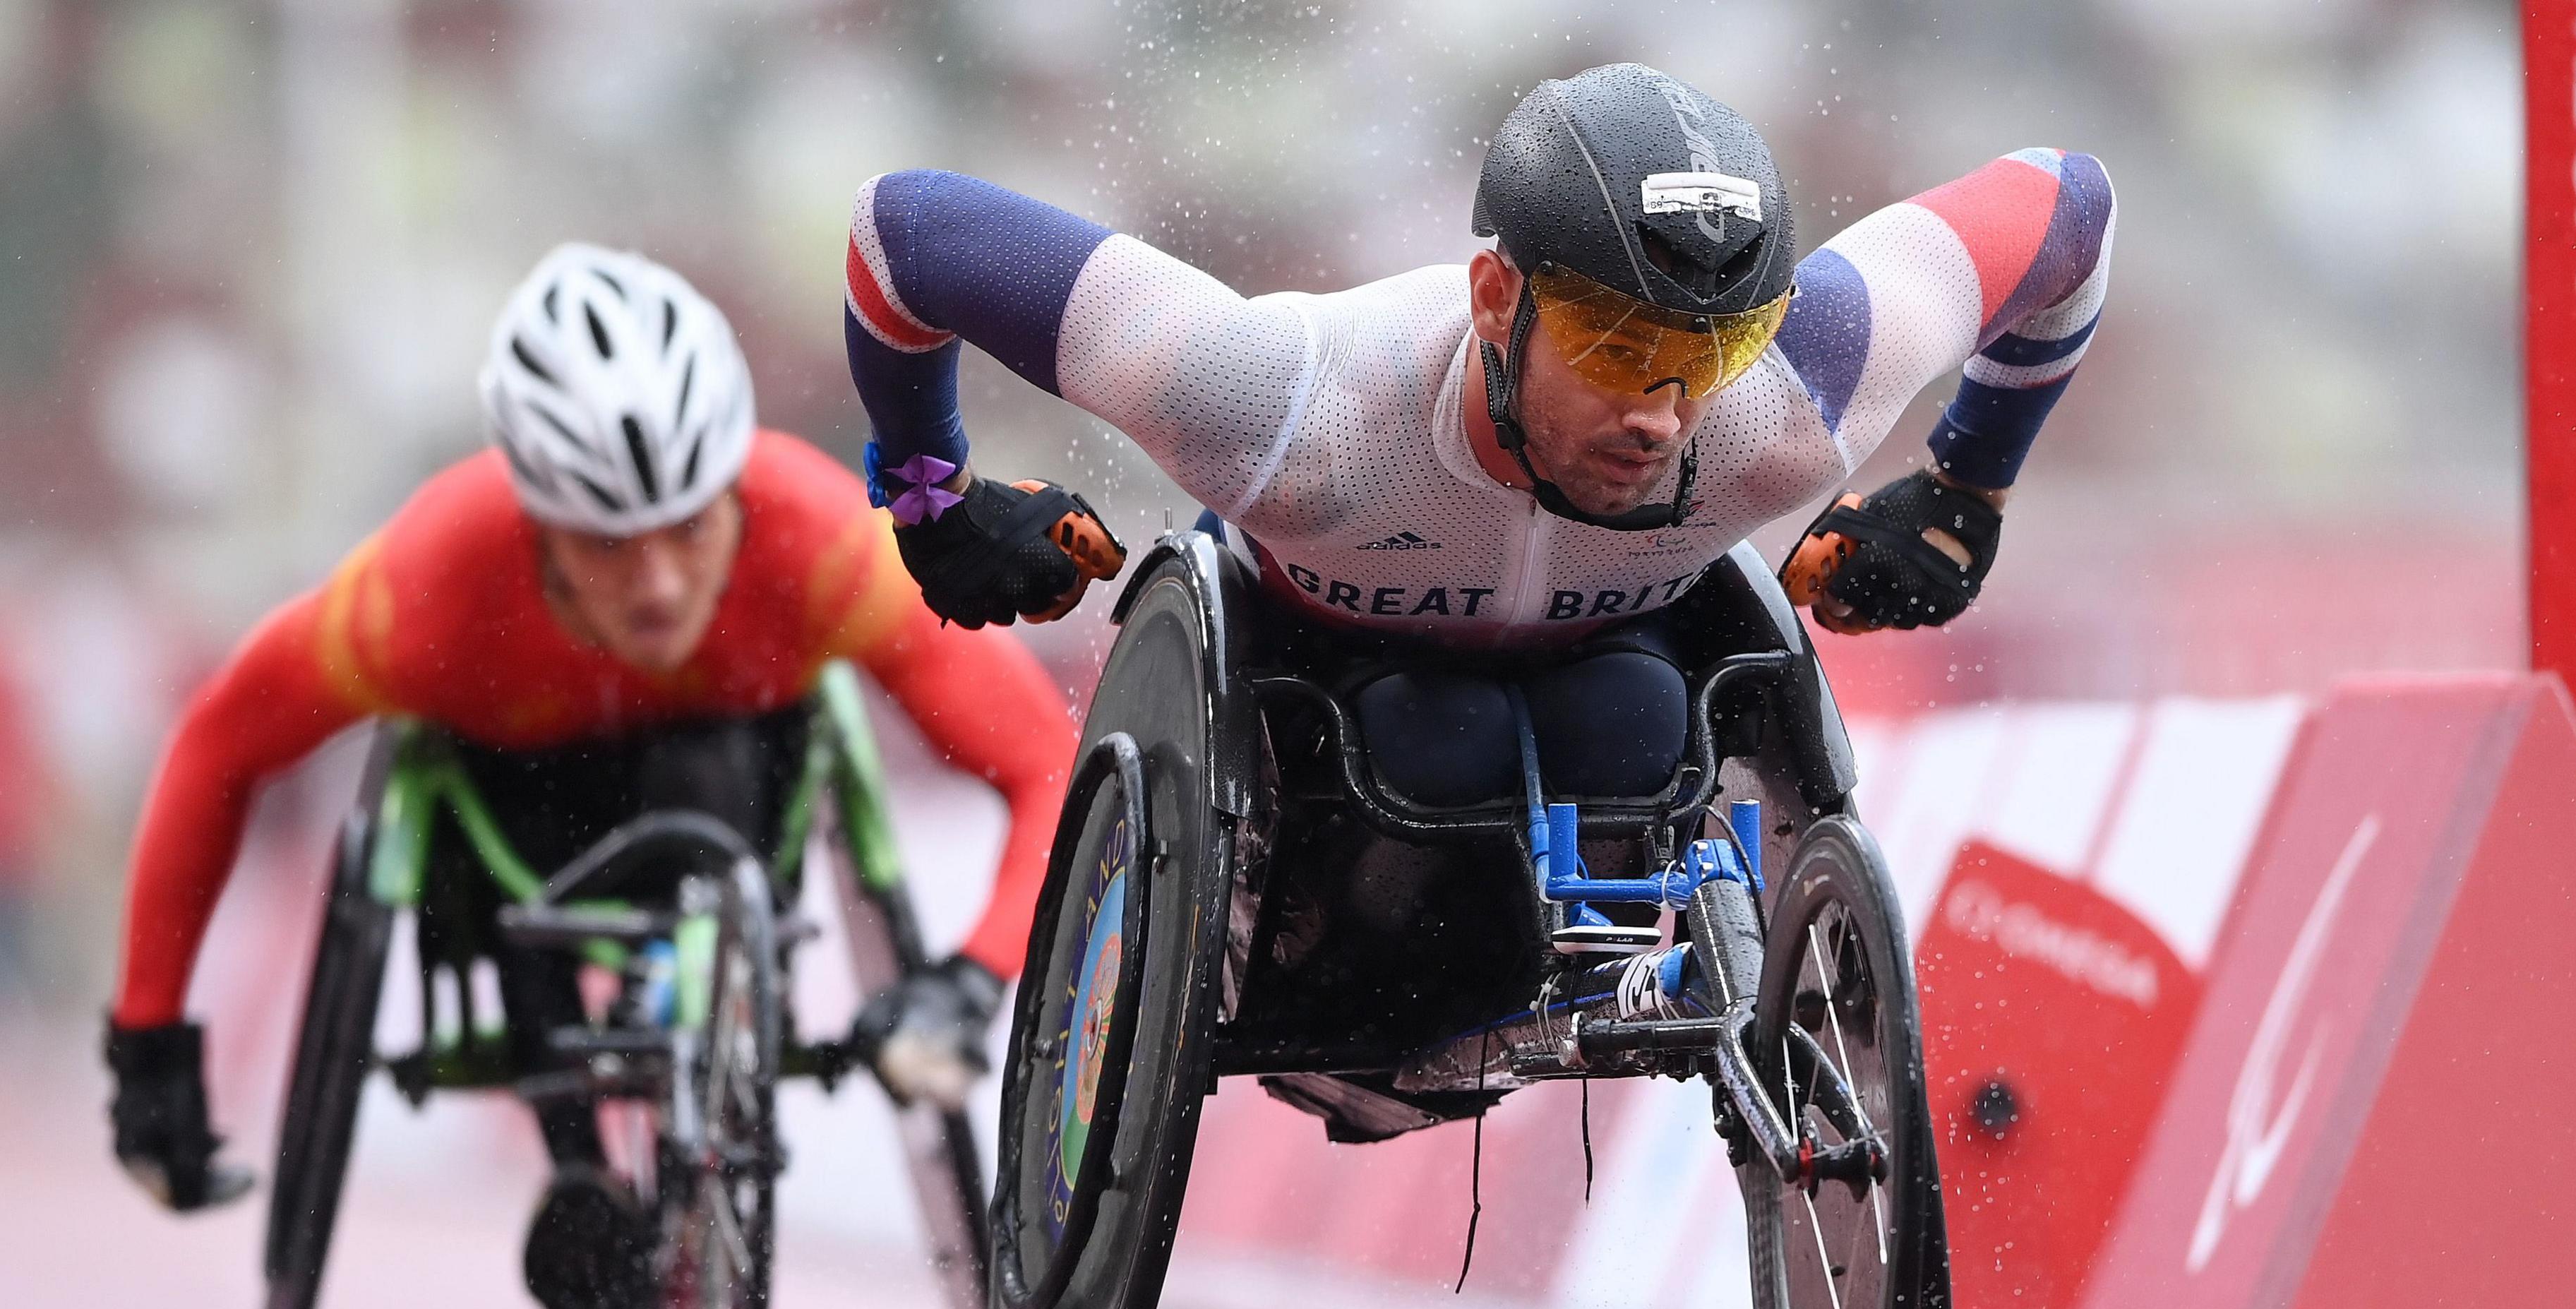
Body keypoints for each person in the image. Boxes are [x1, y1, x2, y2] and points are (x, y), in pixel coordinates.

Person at [102, 243, 1073, 1309]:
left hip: (737, 784)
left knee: (723, 764)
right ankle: (576, 1164)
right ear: (538, 521)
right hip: (520, 819)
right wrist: (149, 1044)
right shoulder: (429, 585)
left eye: (690, 527)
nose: (659, 582)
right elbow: (223, 739)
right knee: (490, 828)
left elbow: (1044, 763)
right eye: (610, 541)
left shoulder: (818, 540)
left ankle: (682, 1073)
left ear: (732, 493)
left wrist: (972, 977)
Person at [841, 62, 2109, 809]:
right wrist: (930, 495)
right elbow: (906, 230)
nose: (1662, 416)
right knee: (1430, 745)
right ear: (1497, 300)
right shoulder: (1276, 402)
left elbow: (2073, 206)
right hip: (1316, 706)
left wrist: (1965, 484)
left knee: (1631, 726)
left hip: (1622, 676)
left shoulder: (1800, 384)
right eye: (1616, 347)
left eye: (1708, 353)